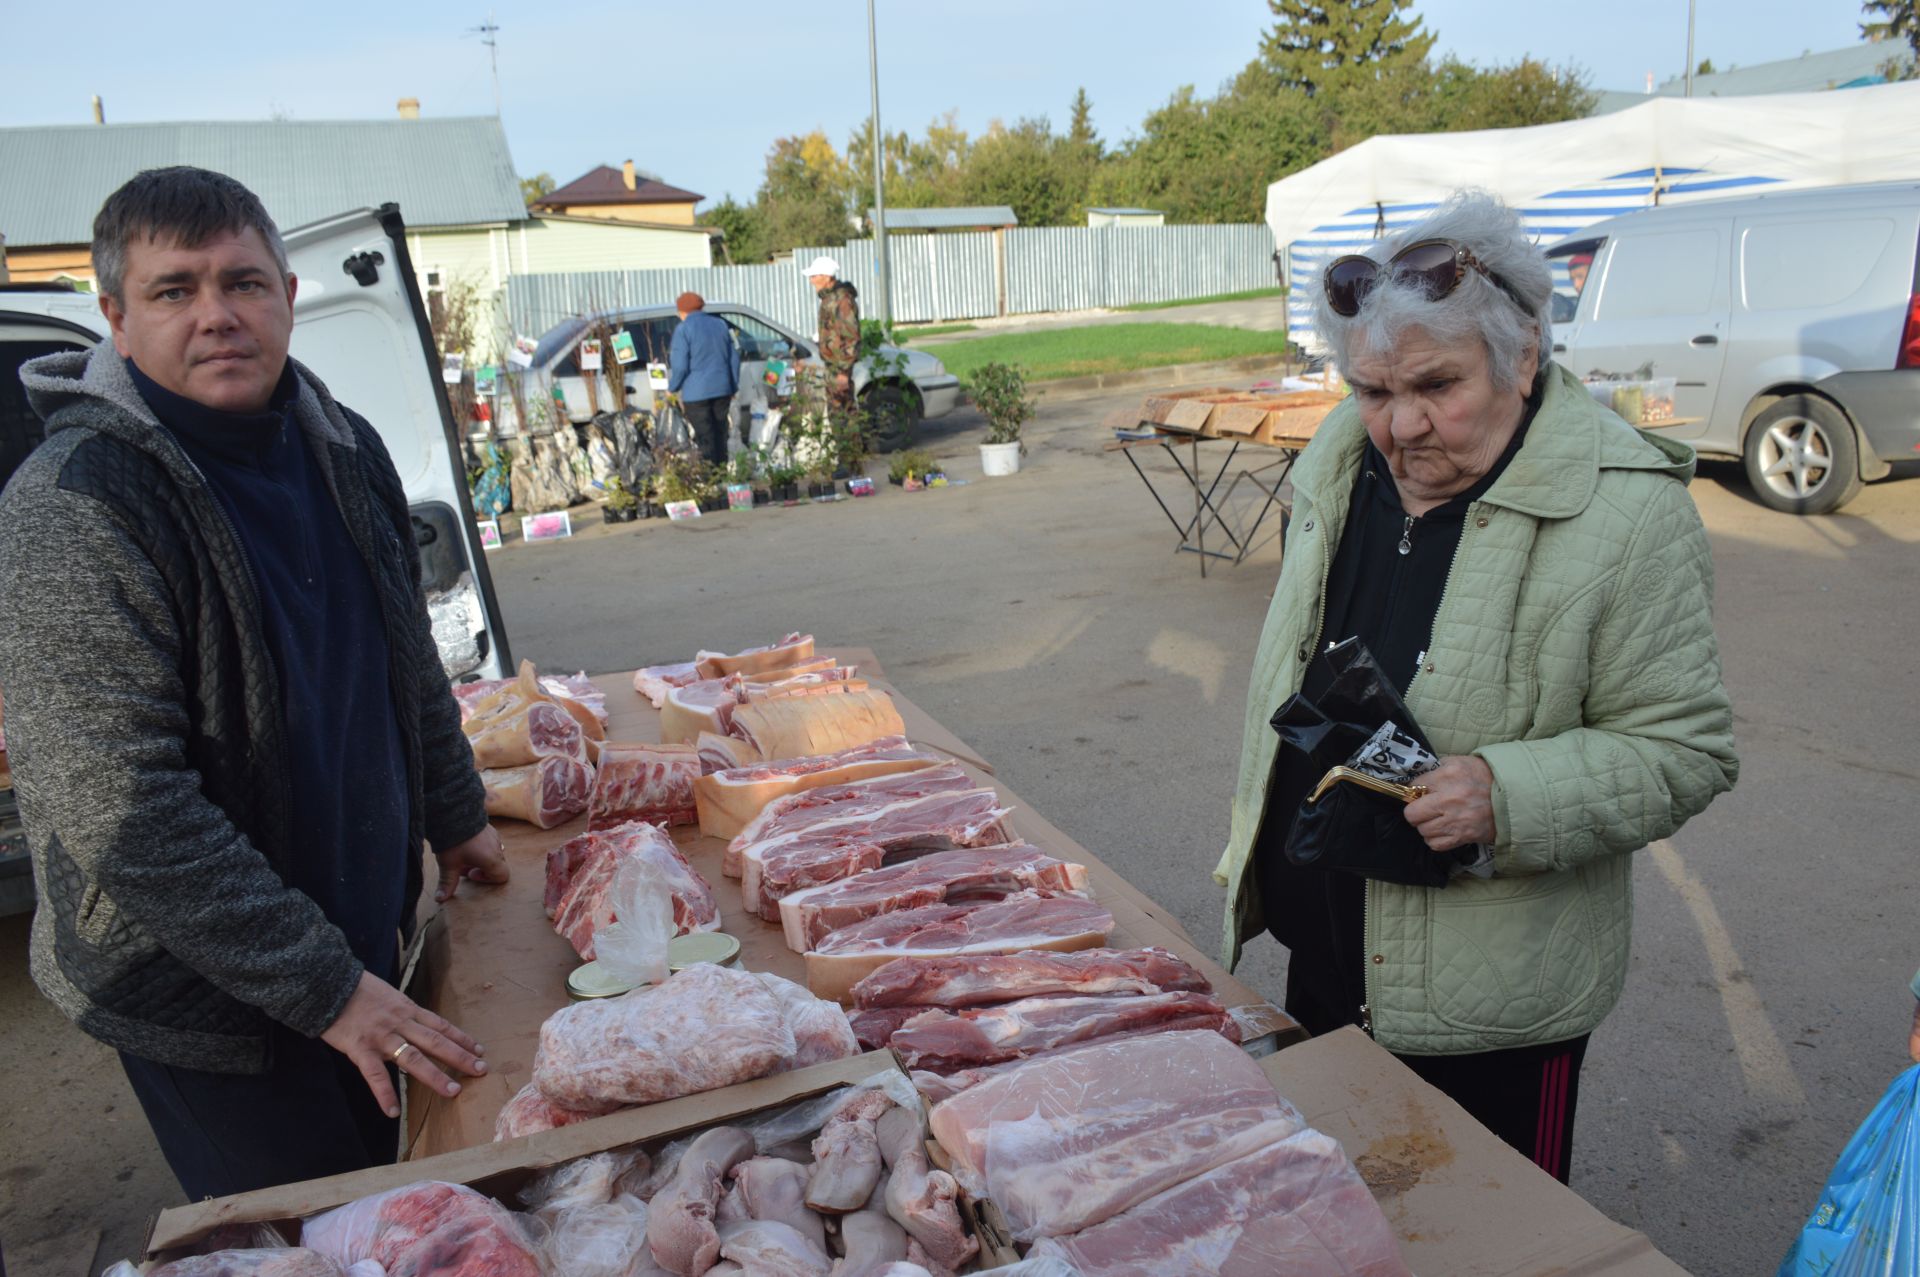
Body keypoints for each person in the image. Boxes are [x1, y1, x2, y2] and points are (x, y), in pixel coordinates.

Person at [0, 167, 508, 1200]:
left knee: (409, 1198)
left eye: (242, 282)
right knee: (317, 1228)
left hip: (356, 939)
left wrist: (455, 809)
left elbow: (404, 658)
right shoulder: (72, 506)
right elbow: (123, 811)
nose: (218, 315)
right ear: (115, 316)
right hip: (203, 993)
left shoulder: (345, 445)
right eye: (174, 290)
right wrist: (327, 989)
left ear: (285, 289)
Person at [1213, 191, 1738, 1184]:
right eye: (1371, 388)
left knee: (1493, 1240)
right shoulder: (1336, 461)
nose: (1400, 424)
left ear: (1523, 356)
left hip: (1489, 1010)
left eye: (1436, 385)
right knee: (1339, 1223)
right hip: (1322, 958)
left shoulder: (1628, 518)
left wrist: (1510, 792)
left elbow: (1687, 748)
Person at [667, 290, 740, 466]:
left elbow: (680, 365)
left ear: (682, 311)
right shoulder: (720, 325)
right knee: (720, 432)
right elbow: (734, 359)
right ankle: (722, 474)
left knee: (704, 436)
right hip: (722, 389)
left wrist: (672, 388)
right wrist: (733, 386)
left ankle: (709, 478)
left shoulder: (683, 329)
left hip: (696, 394)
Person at [800, 254, 861, 420]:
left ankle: (851, 446)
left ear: (827, 277)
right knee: (837, 414)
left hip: (839, 368)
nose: (811, 280)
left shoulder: (841, 300)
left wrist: (843, 372)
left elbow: (850, 337)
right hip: (832, 365)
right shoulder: (829, 299)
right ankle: (845, 445)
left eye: (814, 276)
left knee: (845, 416)